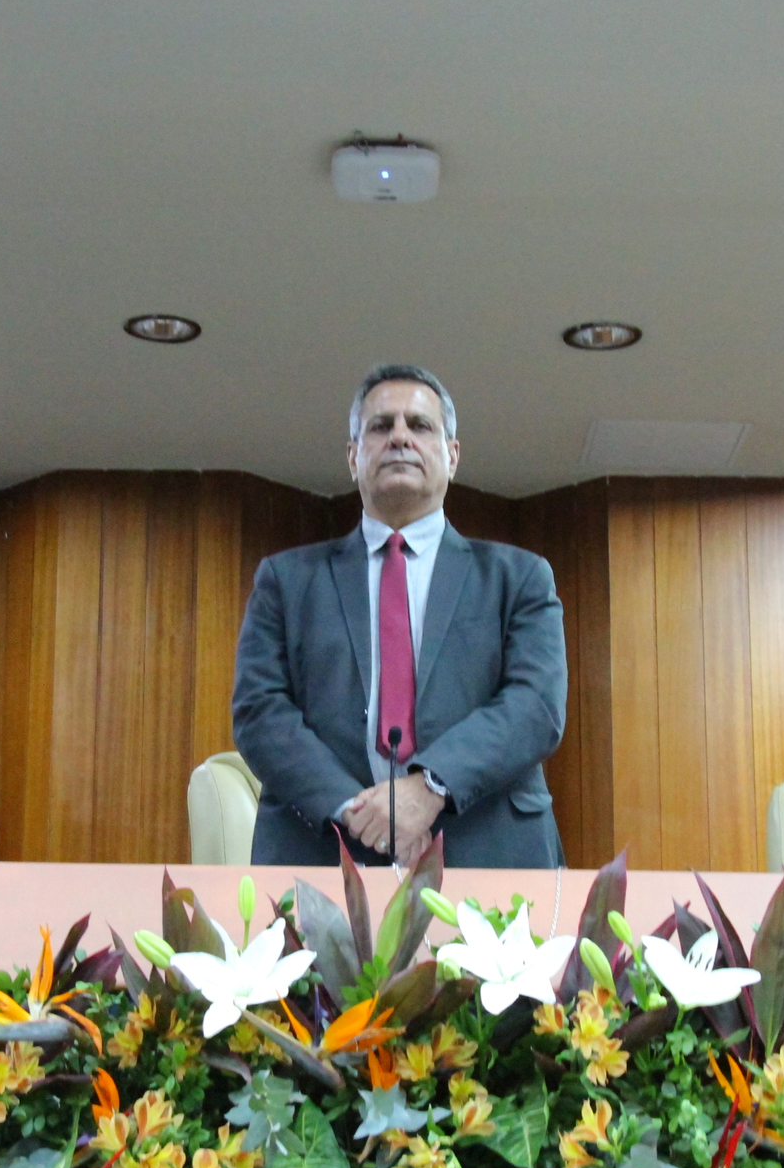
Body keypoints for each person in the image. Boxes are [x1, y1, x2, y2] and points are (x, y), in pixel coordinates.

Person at [233, 365, 568, 868]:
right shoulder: (286, 580)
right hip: (324, 850)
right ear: (353, 457)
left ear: (452, 456)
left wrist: (430, 787)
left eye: (420, 425)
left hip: (488, 849)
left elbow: (536, 705)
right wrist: (358, 811)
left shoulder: (519, 577)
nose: (400, 438)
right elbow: (260, 711)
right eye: (380, 426)